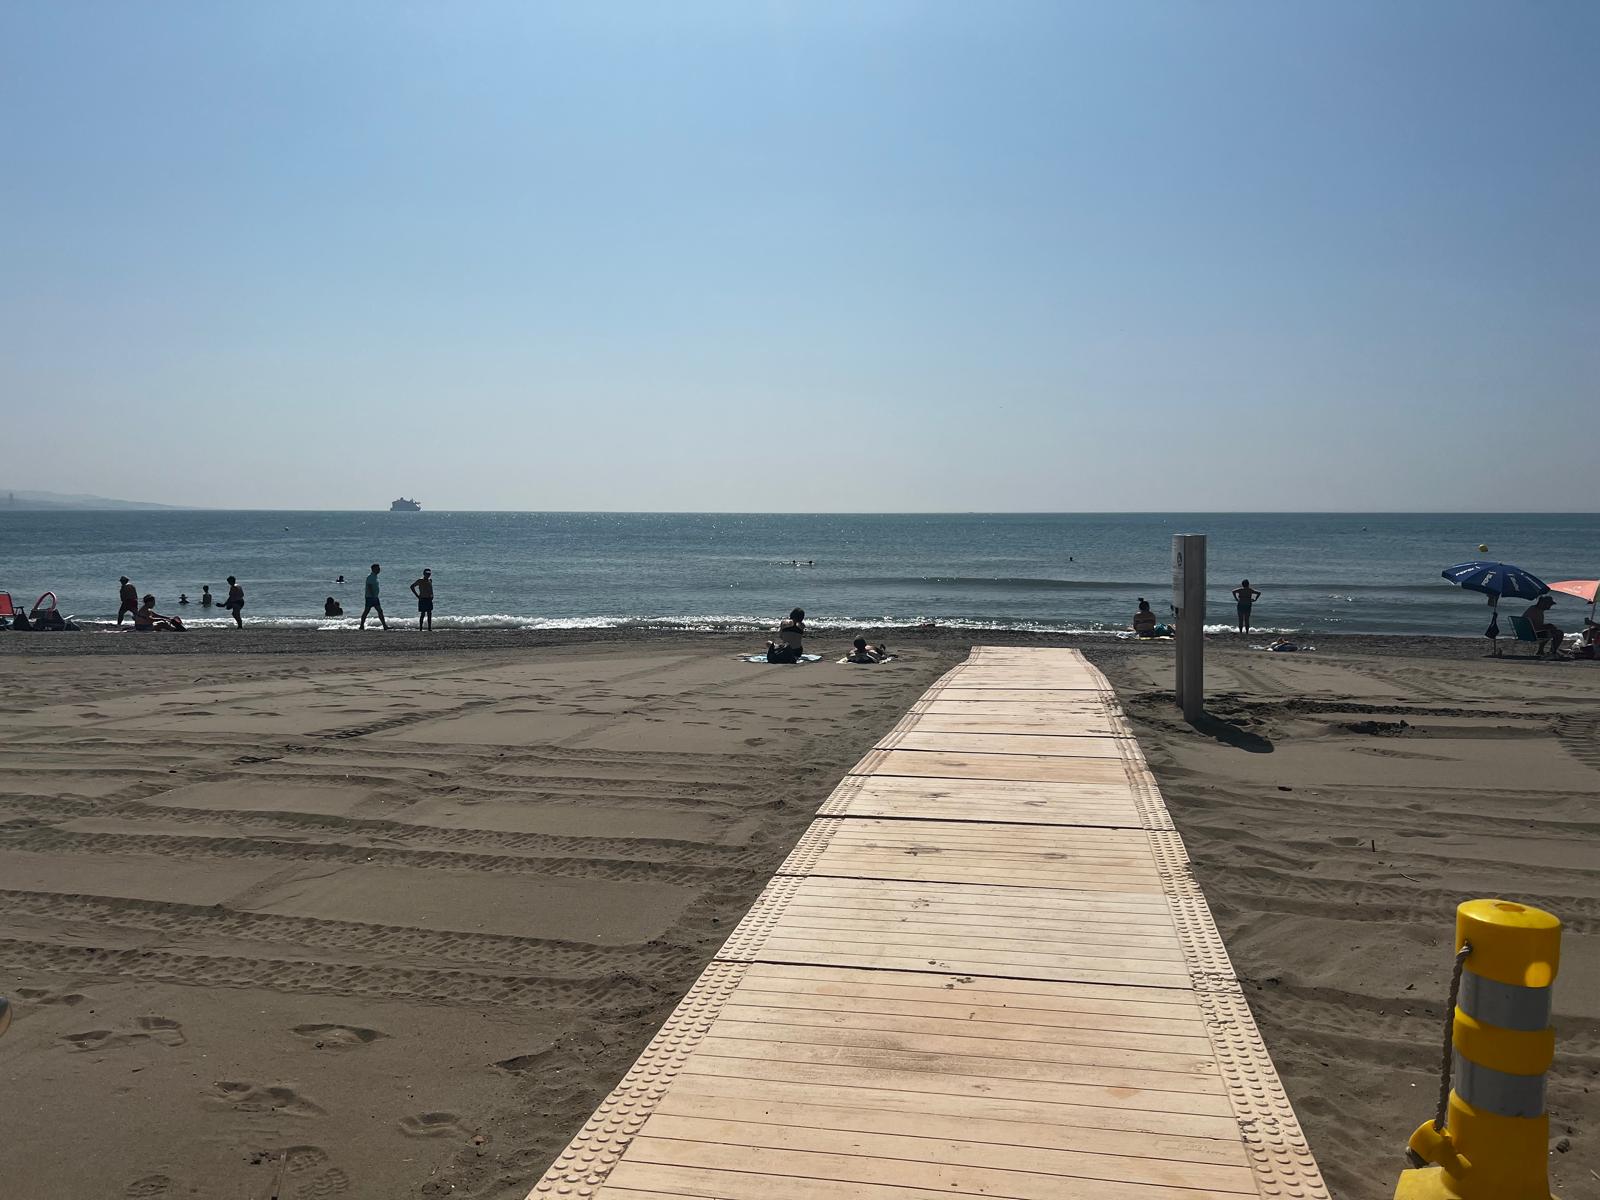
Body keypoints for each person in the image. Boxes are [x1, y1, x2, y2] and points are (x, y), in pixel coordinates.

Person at [360, 563, 387, 630]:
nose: (379, 570)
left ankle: (384, 626)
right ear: (373, 569)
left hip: (374, 597)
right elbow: (369, 586)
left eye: (379, 568)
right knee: (367, 611)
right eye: (377, 568)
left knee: (379, 611)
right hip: (371, 597)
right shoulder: (370, 577)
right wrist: (373, 596)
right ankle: (361, 626)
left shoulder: (374, 576)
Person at [410, 567, 434, 632]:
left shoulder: (430, 580)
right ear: (424, 573)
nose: (428, 575)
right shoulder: (420, 580)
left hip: (429, 599)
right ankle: (420, 628)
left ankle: (429, 628)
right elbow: (412, 586)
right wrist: (417, 596)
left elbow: (430, 589)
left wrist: (432, 595)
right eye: (426, 573)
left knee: (429, 614)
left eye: (429, 574)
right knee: (422, 614)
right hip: (422, 599)